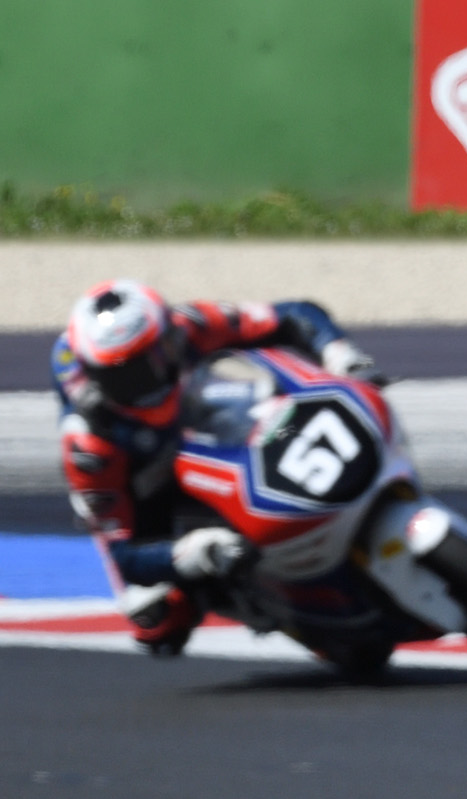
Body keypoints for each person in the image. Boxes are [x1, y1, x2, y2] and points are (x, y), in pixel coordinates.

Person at [53, 280, 376, 654]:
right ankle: (258, 599)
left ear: (170, 336)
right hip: (143, 475)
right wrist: (184, 554)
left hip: (212, 417)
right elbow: (123, 553)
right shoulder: (89, 444)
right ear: (97, 378)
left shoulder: (192, 324)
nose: (148, 381)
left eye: (154, 358)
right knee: (157, 621)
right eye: (124, 378)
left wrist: (338, 353)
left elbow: (291, 314)